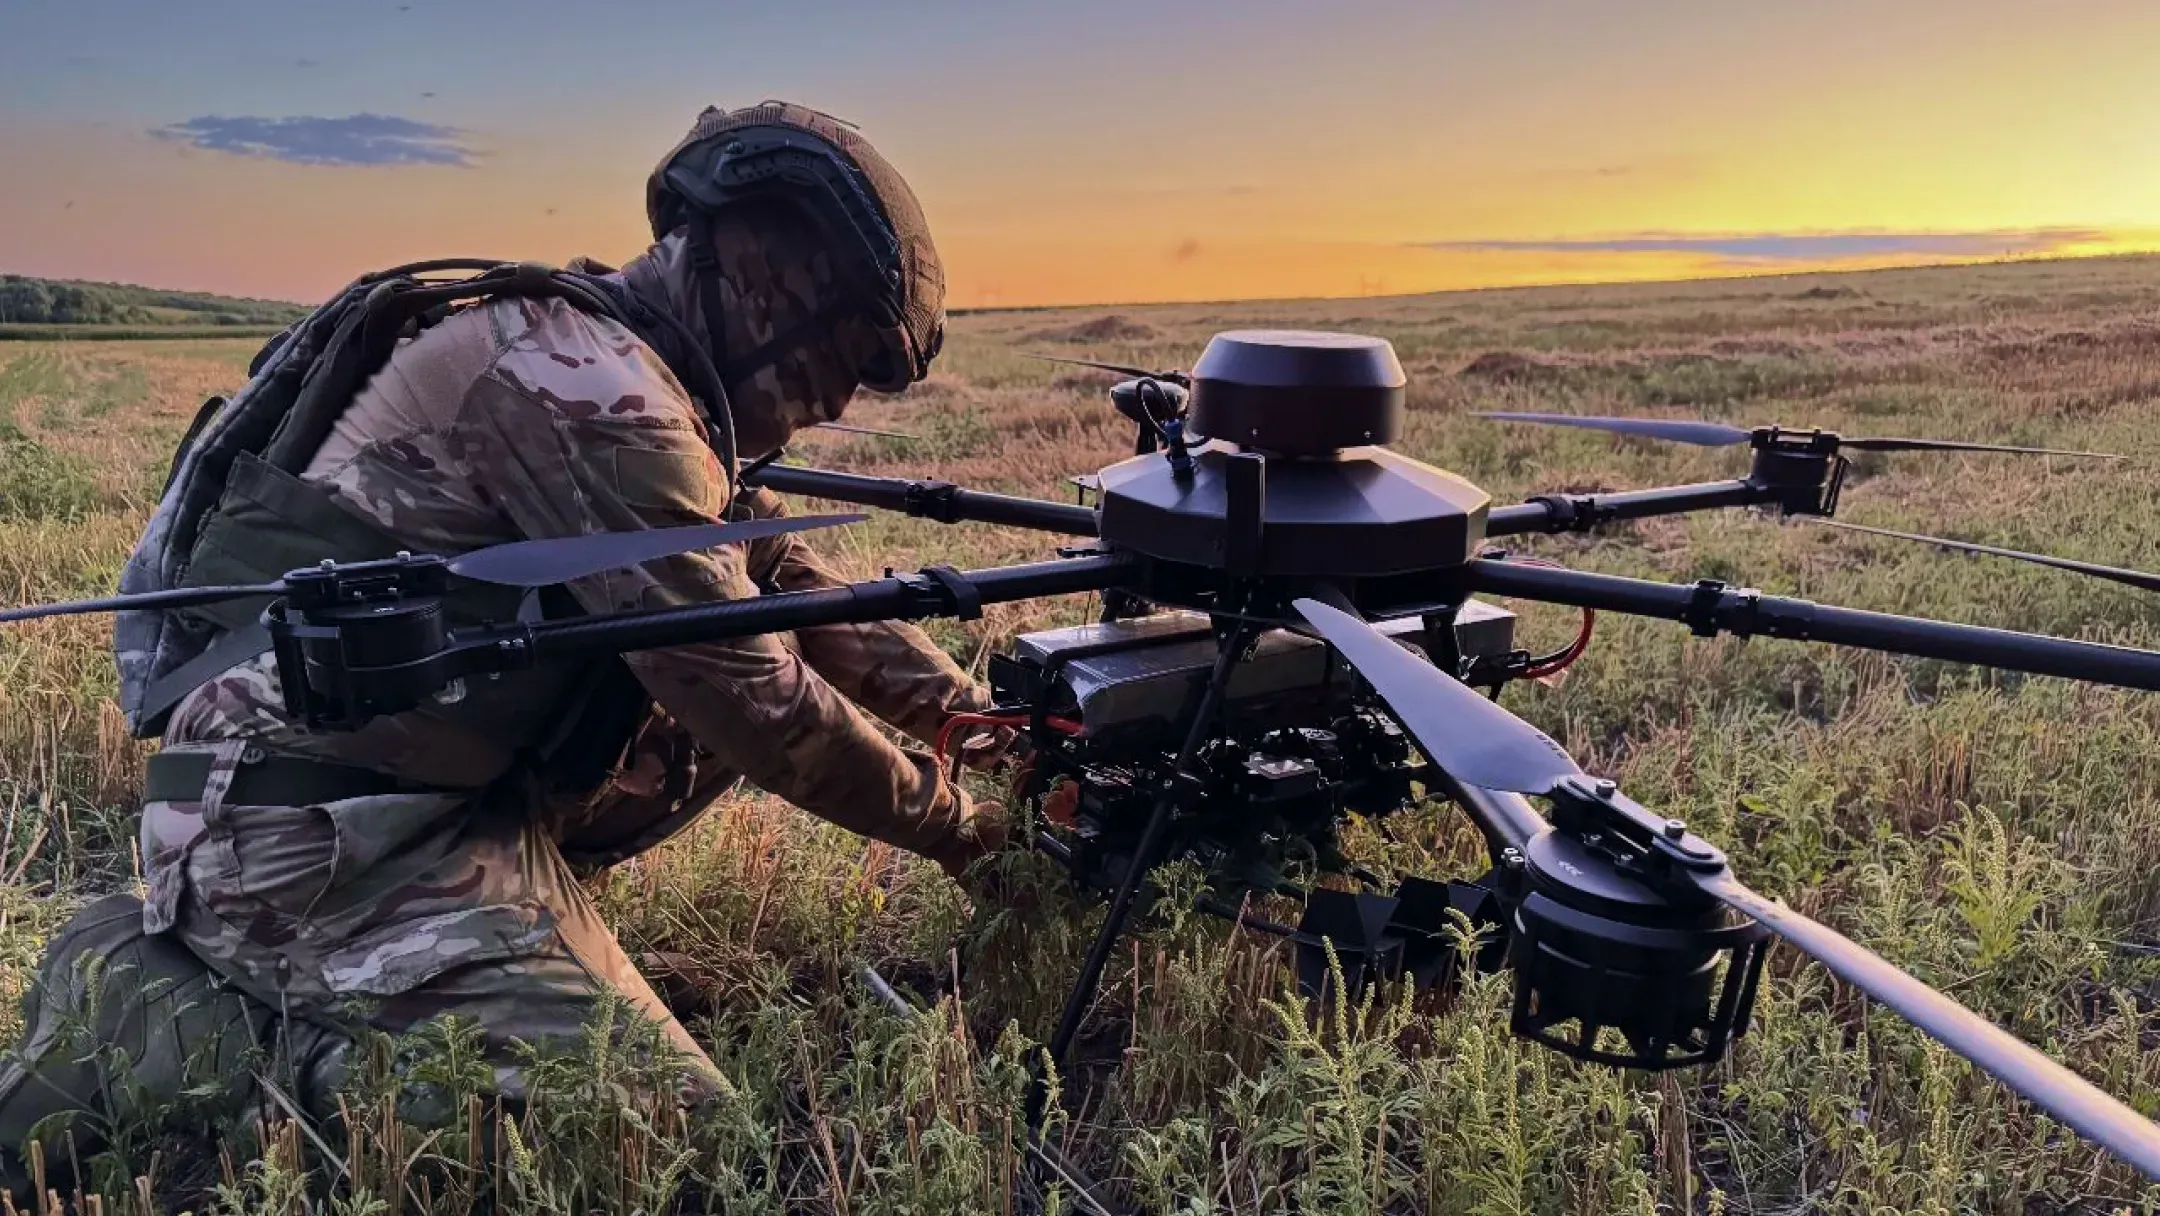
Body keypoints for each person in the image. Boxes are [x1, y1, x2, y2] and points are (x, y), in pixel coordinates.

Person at [0, 100, 1011, 1193]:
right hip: (309, 838)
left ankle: (443, 961)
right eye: (845, 359)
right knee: (659, 1145)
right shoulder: (592, 391)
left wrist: (984, 728)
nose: (835, 402)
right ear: (773, 288)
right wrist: (971, 832)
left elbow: (791, 598)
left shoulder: (632, 371)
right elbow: (752, 696)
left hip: (433, 804)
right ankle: (167, 1021)